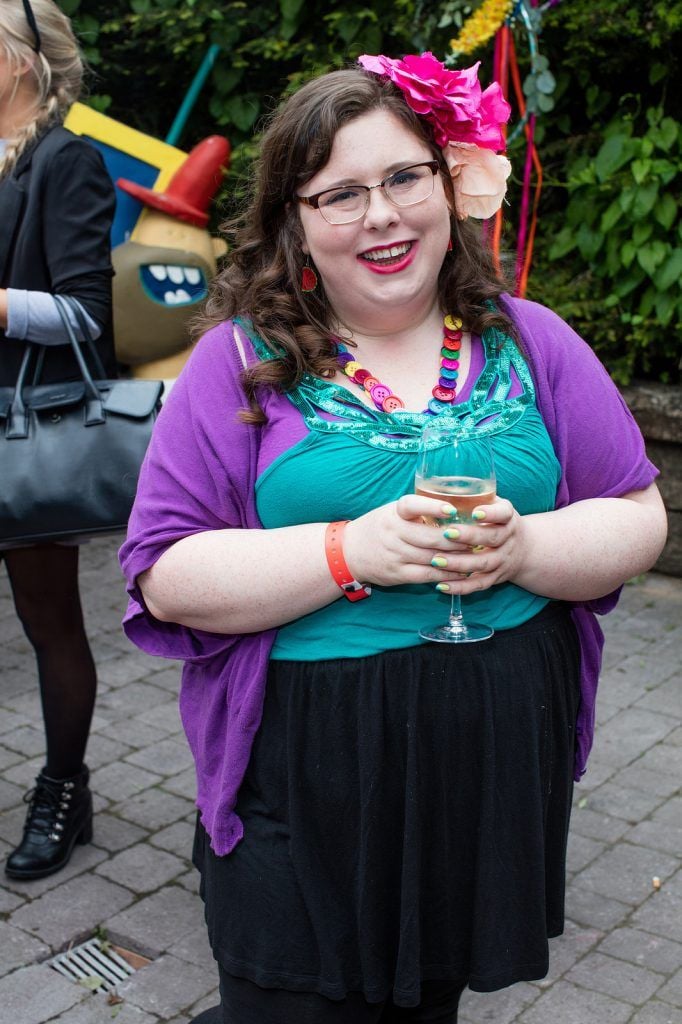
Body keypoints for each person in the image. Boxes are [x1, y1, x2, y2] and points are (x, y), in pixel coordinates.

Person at [119, 51, 667, 1024]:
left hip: (486, 768)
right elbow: (164, 573)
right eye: (339, 193)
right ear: (296, 221)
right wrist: (346, 554)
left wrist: (525, 552)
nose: (380, 214)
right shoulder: (235, 364)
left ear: (445, 186)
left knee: (425, 1005)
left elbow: (635, 512)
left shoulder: (530, 338)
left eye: (402, 177)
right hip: (306, 765)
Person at [1, 0, 115, 879]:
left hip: (22, 429)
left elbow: (86, 314)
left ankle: (65, 790)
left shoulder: (64, 161)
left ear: (21, 62)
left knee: (49, 622)